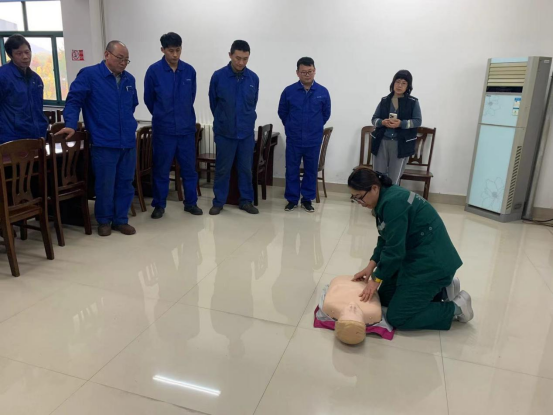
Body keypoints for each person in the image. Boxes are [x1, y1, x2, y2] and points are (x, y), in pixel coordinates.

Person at [348, 167, 474, 331]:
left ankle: (456, 307)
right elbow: (386, 237)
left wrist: (375, 280)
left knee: (398, 317)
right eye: (355, 198)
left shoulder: (393, 203)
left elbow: (394, 250)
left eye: (360, 197)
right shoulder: (385, 198)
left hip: (431, 263)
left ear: (374, 188)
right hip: (417, 256)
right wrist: (371, 266)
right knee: (384, 298)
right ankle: (442, 291)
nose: (360, 203)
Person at [57, 41, 139, 237]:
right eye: (120, 58)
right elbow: (74, 100)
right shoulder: (89, 75)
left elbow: (132, 105)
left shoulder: (129, 79)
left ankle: (121, 220)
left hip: (127, 141)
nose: (123, 63)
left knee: (125, 182)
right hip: (104, 141)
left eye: (127, 60)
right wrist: (70, 123)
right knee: (105, 184)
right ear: (106, 54)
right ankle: (104, 220)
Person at [144, 32, 202, 219]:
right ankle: (159, 205)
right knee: (161, 169)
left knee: (189, 170)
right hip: (164, 130)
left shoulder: (189, 71)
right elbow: (149, 99)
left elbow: (191, 97)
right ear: (162, 50)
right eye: (171, 51)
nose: (175, 54)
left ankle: (191, 203)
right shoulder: (154, 71)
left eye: (178, 50)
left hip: (185, 130)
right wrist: (162, 115)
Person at [208, 40, 260, 216]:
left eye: (245, 59)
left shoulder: (253, 78)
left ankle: (246, 201)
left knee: (245, 169)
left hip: (245, 133)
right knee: (223, 170)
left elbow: (253, 103)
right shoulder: (218, 77)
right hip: (225, 133)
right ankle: (218, 202)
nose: (241, 62)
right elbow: (214, 103)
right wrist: (224, 120)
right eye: (238, 58)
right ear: (230, 55)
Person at [278, 57, 331, 213]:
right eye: (303, 72)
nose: (307, 74)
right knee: (291, 169)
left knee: (311, 170)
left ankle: (307, 199)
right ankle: (292, 199)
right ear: (297, 73)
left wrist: (315, 126)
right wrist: (291, 125)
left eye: (310, 71)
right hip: (294, 138)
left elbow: (326, 114)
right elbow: (282, 112)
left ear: (314, 71)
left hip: (313, 139)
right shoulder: (289, 91)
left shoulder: (322, 92)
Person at [371, 70, 422, 185]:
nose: (399, 85)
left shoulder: (413, 102)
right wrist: (382, 122)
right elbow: (374, 119)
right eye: (397, 82)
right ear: (393, 83)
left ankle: (391, 196)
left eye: (404, 83)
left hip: (400, 144)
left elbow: (418, 121)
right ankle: (379, 197)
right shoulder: (384, 101)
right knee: (378, 177)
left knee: (394, 179)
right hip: (381, 142)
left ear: (408, 86)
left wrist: (401, 124)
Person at [0, 35, 48, 144]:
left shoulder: (35, 79)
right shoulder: (3, 77)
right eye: (19, 53)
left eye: (27, 52)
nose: (25, 57)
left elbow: (38, 109)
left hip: (37, 137)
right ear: (10, 55)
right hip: (10, 139)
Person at [322, 275, 383, 345]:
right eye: (356, 312)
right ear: (364, 323)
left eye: (347, 312)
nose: (352, 307)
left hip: (341, 279)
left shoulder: (331, 304)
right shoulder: (373, 311)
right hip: (366, 282)